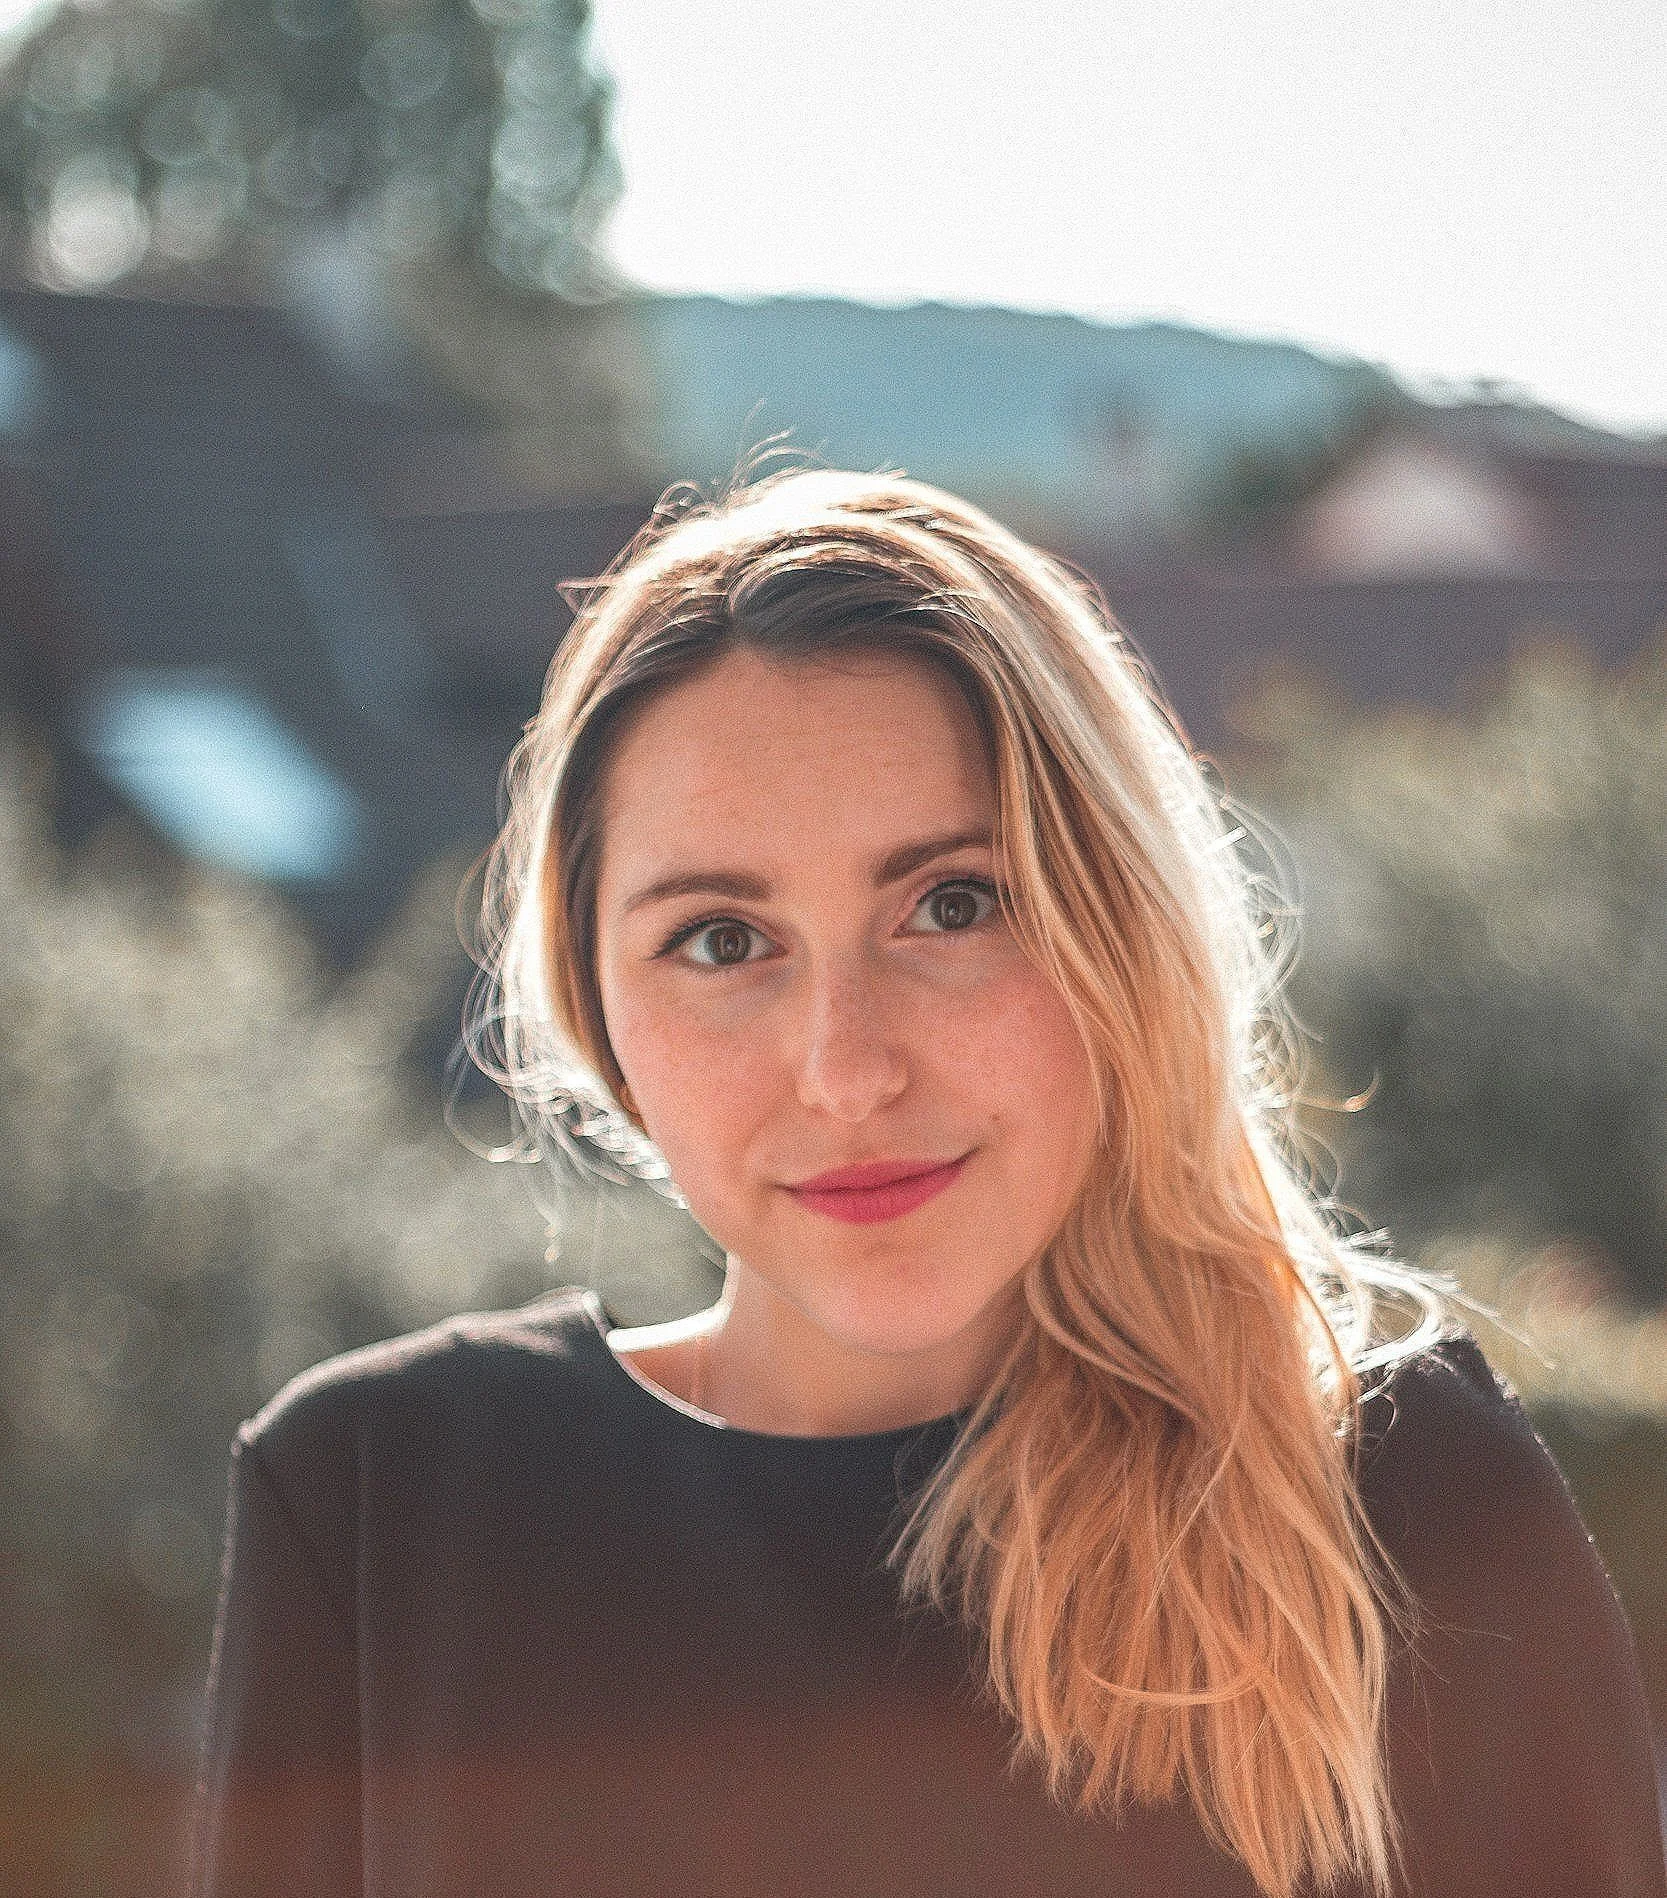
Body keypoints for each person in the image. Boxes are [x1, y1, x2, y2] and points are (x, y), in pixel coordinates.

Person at [190, 469, 1666, 1898]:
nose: (843, 1067)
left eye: (951, 904)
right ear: (593, 1003)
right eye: (719, 938)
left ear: (1121, 937)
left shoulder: (1409, 1506)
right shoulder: (380, 1504)